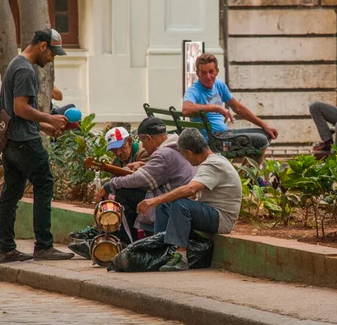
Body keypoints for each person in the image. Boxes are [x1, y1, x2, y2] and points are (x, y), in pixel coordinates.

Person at [0, 28, 75, 263]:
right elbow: (20, 108)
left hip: (12, 140)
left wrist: (45, 127)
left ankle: (6, 249)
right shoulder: (25, 70)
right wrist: (49, 118)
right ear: (43, 46)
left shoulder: (16, 64)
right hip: (23, 142)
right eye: (52, 53)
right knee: (45, 183)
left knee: (11, 192)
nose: (52, 59)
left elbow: (15, 112)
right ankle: (43, 245)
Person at [137, 128, 242, 272]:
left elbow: (190, 189)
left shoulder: (213, 164)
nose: (186, 160)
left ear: (189, 153)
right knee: (166, 204)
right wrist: (162, 201)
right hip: (211, 213)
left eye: (185, 156)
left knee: (181, 204)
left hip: (221, 219)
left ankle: (181, 257)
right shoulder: (212, 161)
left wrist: (155, 200)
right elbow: (192, 193)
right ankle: (161, 250)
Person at [182, 53, 278, 159]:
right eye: (203, 73)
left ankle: (245, 173)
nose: (208, 76)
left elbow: (238, 107)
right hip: (214, 142)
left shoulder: (220, 85)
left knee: (267, 134)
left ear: (217, 71)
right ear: (197, 73)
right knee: (261, 140)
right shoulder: (194, 90)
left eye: (211, 72)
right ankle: (247, 174)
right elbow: (186, 109)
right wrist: (216, 108)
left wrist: (264, 125)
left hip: (225, 135)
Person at [67, 126, 150, 241]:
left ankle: (124, 240)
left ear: (130, 141)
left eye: (121, 147)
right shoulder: (117, 161)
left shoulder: (143, 154)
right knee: (107, 197)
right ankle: (100, 232)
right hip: (134, 197)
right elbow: (114, 184)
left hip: (148, 196)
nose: (118, 153)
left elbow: (141, 181)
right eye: (114, 150)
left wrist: (108, 186)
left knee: (120, 194)